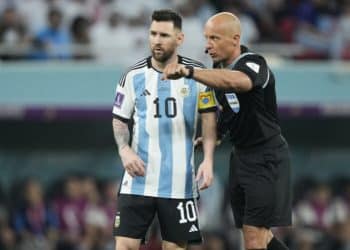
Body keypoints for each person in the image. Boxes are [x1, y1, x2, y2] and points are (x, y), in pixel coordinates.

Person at [163, 12, 292, 250]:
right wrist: (218, 135)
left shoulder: (253, 63)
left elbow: (238, 82)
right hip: (241, 157)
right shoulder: (217, 69)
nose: (208, 45)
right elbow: (226, 109)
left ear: (235, 39)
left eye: (214, 38)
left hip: (266, 156)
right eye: (206, 38)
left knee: (254, 240)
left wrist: (190, 72)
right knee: (261, 238)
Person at [111, 9, 217, 250]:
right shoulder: (133, 75)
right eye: (153, 33)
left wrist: (208, 159)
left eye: (164, 35)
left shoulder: (198, 75)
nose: (157, 40)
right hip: (138, 180)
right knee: (125, 245)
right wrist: (124, 150)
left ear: (179, 39)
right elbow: (119, 120)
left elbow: (209, 120)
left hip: (180, 182)